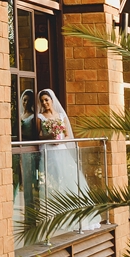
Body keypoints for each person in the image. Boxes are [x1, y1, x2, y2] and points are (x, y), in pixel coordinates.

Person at [35, 89, 101, 234]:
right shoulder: (40, 117)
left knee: (69, 181)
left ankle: (76, 217)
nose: (45, 103)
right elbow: (39, 135)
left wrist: (60, 140)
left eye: (47, 100)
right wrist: (50, 137)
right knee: (53, 183)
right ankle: (54, 218)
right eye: (42, 101)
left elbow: (66, 134)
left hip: (61, 149)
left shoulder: (61, 115)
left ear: (52, 100)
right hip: (49, 151)